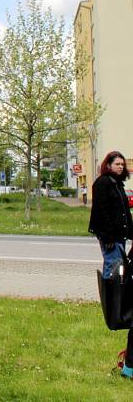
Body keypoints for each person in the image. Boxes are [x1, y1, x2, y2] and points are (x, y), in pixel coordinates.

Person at [89, 150, 133, 378]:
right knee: (115, 272)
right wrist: (105, 237)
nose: (120, 166)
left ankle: (121, 302)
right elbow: (102, 212)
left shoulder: (118, 185)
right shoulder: (104, 183)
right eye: (117, 163)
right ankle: (115, 307)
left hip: (119, 237)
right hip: (111, 238)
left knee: (121, 272)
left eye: (122, 164)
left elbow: (125, 213)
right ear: (108, 164)